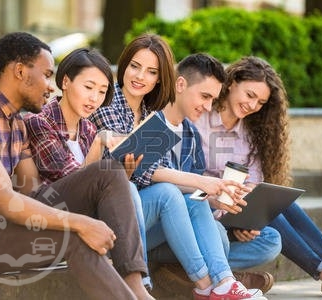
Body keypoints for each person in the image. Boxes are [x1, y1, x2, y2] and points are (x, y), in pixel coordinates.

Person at [0, 32, 153, 300]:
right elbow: (5, 199)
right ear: (20, 71)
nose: (50, 87)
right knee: (74, 238)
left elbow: (37, 193)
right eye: (46, 74)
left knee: (108, 174)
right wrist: (81, 223)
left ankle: (136, 288)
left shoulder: (15, 122)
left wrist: (99, 194)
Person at [91, 33, 266, 299]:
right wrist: (202, 182)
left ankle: (219, 284)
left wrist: (212, 193)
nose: (140, 76)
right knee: (171, 194)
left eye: (151, 71)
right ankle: (179, 284)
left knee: (196, 203)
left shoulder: (152, 112)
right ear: (124, 64)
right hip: (111, 210)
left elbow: (154, 170)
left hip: (143, 210)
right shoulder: (108, 102)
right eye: (135, 66)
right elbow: (140, 170)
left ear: (160, 78)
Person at [195, 55, 322, 300]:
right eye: (250, 95)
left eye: (261, 102)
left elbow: (254, 185)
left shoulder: (249, 134)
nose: (253, 105)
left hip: (233, 211)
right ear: (232, 82)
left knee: (273, 231)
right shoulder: (201, 118)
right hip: (205, 212)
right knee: (271, 221)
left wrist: (247, 218)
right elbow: (192, 177)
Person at [23, 47, 153, 290]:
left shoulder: (87, 129)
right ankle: (137, 287)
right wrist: (97, 146)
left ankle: (136, 283)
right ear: (65, 82)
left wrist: (126, 171)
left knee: (142, 189)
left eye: (102, 92)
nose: (95, 98)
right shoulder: (39, 122)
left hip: (85, 217)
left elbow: (98, 186)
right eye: (89, 87)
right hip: (50, 216)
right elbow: (72, 182)